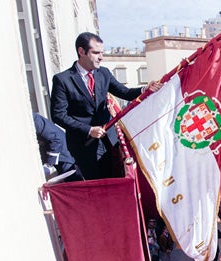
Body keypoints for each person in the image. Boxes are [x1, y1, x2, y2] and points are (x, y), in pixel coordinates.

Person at [51, 32, 161, 179]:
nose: (101, 57)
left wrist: (144, 90)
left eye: (101, 52)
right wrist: (88, 130)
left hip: (111, 141)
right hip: (85, 145)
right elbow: (58, 115)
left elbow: (125, 92)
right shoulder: (62, 80)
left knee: (118, 179)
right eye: (96, 53)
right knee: (99, 185)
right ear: (81, 51)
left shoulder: (103, 73)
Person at [32, 112, 82, 181]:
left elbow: (56, 139)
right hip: (53, 151)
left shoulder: (35, 120)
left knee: (72, 183)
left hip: (63, 154)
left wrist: (49, 164)